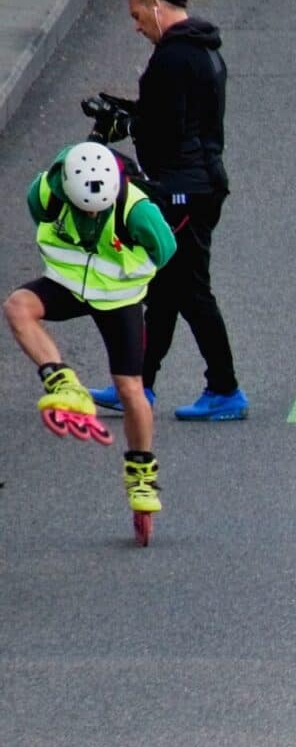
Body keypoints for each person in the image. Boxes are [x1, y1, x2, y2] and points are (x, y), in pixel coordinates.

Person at [88, 0, 244, 421]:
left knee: (189, 291)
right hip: (196, 186)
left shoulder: (174, 58)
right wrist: (129, 112)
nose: (136, 26)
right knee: (164, 289)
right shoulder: (200, 51)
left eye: (138, 16)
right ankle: (138, 385)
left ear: (156, 5)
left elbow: (167, 127)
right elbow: (174, 114)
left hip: (183, 192)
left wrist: (126, 125)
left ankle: (225, 389)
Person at [3, 143, 176, 537]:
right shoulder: (46, 191)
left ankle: (141, 472)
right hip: (66, 285)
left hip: (117, 296)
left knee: (131, 388)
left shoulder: (138, 210)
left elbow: (165, 250)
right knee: (17, 306)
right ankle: (61, 379)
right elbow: (38, 215)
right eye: (84, 208)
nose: (93, 213)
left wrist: (126, 275)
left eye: (99, 208)